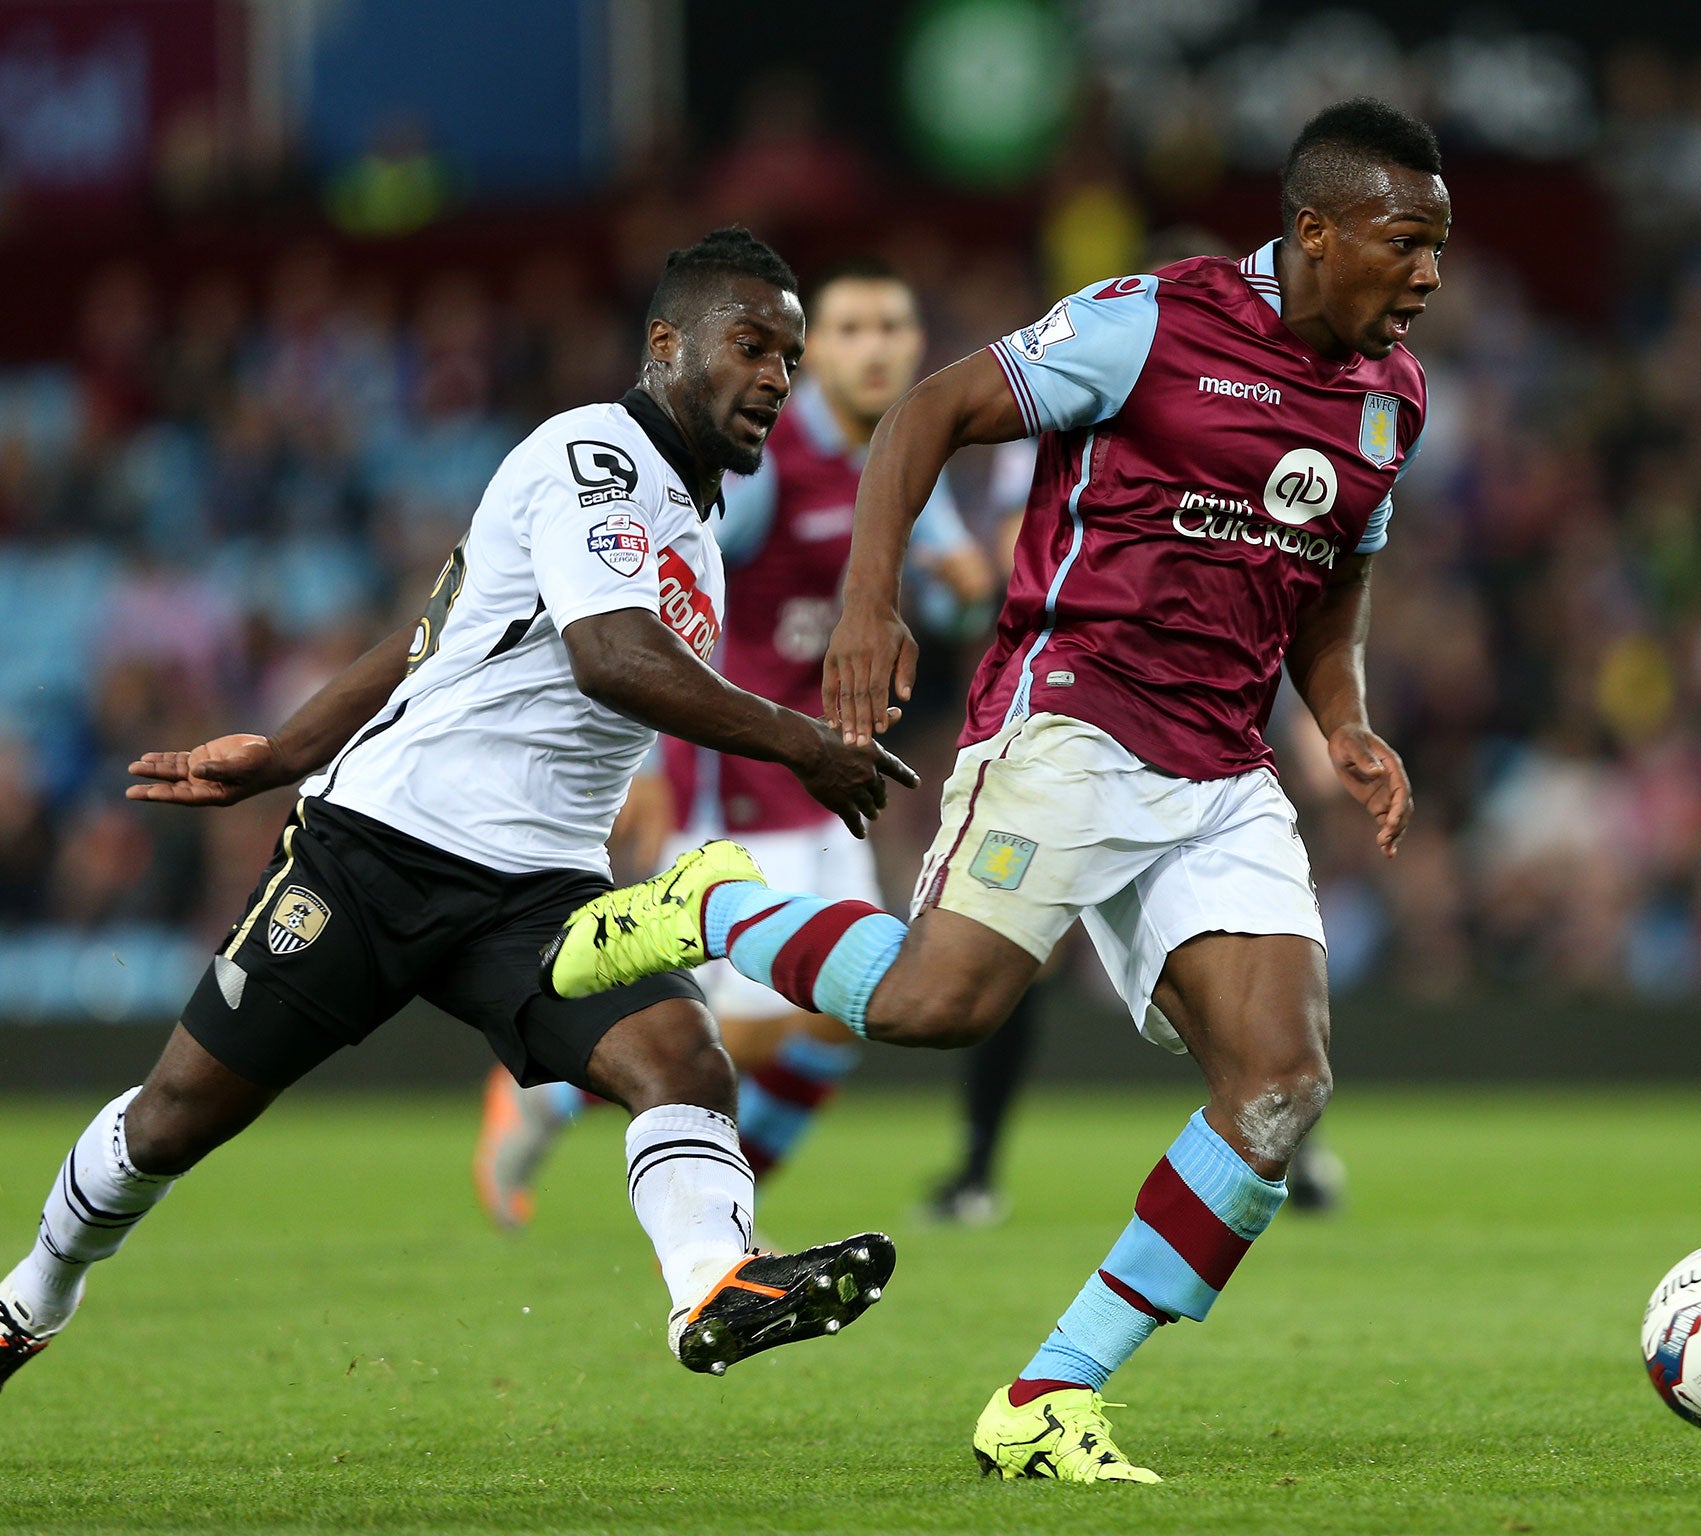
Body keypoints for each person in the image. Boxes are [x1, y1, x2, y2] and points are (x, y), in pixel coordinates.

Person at [546, 98, 1443, 1480]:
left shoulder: (1393, 399)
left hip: (1221, 765)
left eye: (1439, 245)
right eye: (1406, 241)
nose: (1431, 275)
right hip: (1072, 720)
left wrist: (1347, 721)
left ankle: (1049, 1394)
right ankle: (716, 906)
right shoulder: (1152, 322)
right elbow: (928, 408)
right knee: (935, 1006)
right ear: (1314, 232)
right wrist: (869, 601)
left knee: (1279, 1085)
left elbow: (1332, 588)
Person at [0, 228, 917, 1396]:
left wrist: (285, 742)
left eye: (788, 357)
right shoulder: (593, 455)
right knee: (176, 1120)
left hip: (533, 895)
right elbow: (613, 660)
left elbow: (433, 630)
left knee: (679, 1057)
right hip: (380, 849)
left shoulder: (690, 521)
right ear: (665, 344)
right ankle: (30, 1296)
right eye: (751, 346)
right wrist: (802, 744)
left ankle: (713, 1284)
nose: (776, 378)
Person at [473, 258, 994, 1225]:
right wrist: (654, 764)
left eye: (893, 327)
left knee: (847, 1016)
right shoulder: (757, 471)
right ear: (814, 355)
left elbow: (948, 571)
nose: (874, 348)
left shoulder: (901, 458)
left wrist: (962, 586)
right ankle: (554, 1086)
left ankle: (722, 1191)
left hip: (828, 773)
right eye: (848, 330)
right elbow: (668, 615)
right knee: (781, 1018)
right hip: (743, 770)